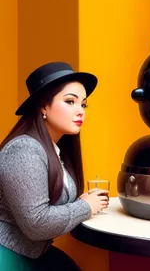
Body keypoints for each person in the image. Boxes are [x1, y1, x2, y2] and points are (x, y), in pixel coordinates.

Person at [0, 62, 109, 270]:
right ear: (43, 106)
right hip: (7, 254)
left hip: (33, 252)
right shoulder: (24, 149)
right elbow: (37, 224)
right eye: (70, 101)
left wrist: (86, 202)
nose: (81, 112)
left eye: (83, 104)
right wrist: (85, 206)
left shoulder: (55, 151)